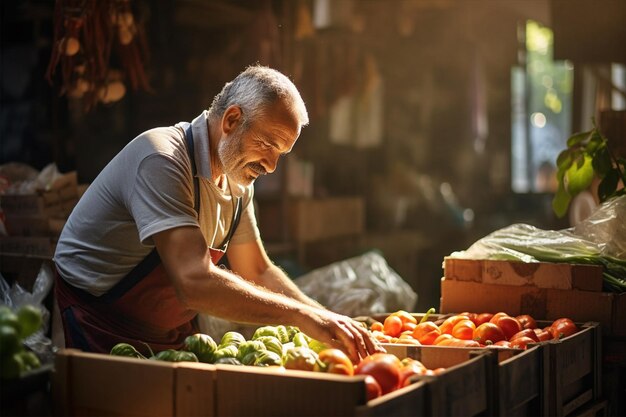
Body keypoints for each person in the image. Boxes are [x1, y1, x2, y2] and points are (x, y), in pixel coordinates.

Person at [53, 64, 382, 362]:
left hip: (166, 334)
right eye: (268, 145)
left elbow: (257, 270)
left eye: (281, 153)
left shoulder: (238, 180)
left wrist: (328, 320)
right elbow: (193, 282)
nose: (270, 166)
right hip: (95, 321)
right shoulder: (163, 159)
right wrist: (298, 316)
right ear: (232, 120)